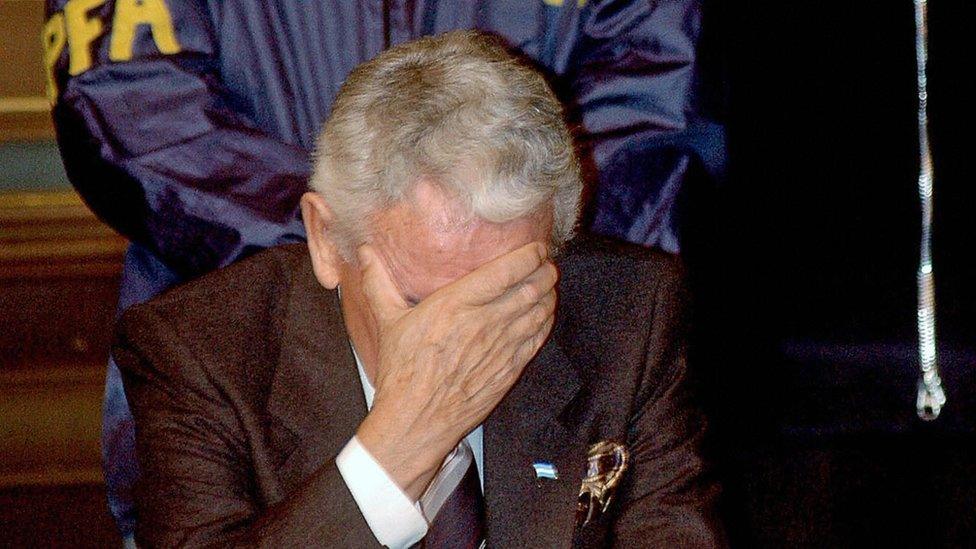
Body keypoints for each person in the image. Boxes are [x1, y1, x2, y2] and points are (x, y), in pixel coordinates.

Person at [43, 0, 720, 540]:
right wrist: (397, 445)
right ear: (325, 239)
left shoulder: (631, 318)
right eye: (421, 297)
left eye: (501, 295)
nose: (459, 337)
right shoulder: (196, 355)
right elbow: (133, 111)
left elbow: (652, 90)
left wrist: (460, 230)